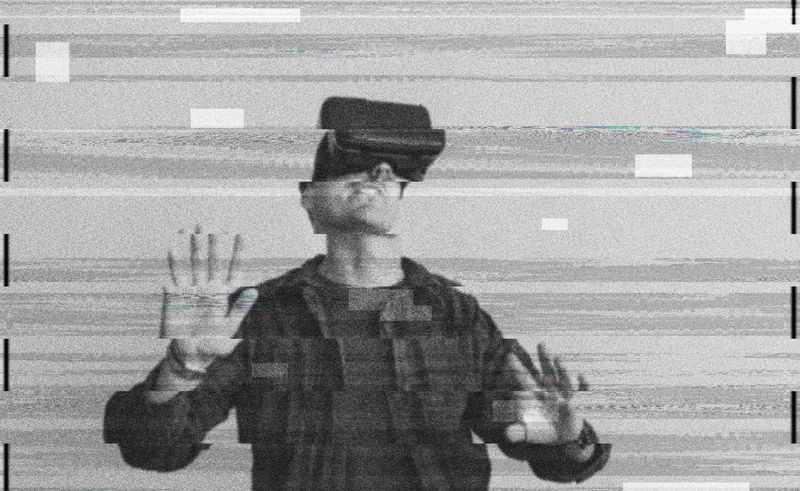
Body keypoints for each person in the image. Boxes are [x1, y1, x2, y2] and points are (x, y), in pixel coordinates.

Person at [103, 97, 611, 490]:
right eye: (350, 165)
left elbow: (505, 420)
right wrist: (180, 370)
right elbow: (154, 452)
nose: (376, 174)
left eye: (390, 171)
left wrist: (568, 438)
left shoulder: (455, 316)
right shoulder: (258, 316)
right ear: (307, 198)